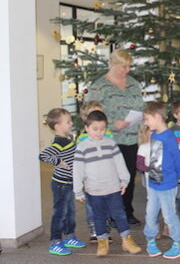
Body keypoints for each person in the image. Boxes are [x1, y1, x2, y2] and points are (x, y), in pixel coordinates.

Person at [85, 49, 144, 225]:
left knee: (129, 176)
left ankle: (127, 211)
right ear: (112, 64)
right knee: (111, 177)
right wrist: (112, 124)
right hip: (108, 139)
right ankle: (110, 213)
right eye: (122, 67)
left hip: (132, 138)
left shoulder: (133, 83)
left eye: (128, 67)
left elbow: (140, 105)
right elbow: (91, 113)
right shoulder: (99, 86)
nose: (126, 70)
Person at [73, 110, 141, 257]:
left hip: (113, 188)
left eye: (102, 129)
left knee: (120, 214)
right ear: (86, 128)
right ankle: (102, 241)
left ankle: (126, 240)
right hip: (94, 190)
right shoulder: (82, 147)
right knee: (99, 216)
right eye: (95, 129)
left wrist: (124, 180)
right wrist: (78, 190)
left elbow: (120, 164)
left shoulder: (111, 144)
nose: (99, 132)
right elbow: (77, 170)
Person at [141, 102, 180, 259]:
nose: (146, 123)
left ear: (157, 117)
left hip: (167, 184)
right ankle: (150, 240)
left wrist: (178, 176)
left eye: (147, 119)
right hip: (154, 182)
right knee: (150, 213)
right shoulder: (154, 135)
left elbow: (178, 159)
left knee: (169, 215)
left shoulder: (169, 136)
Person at [39, 108, 86, 256]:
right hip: (61, 184)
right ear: (57, 126)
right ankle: (55, 242)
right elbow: (43, 155)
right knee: (60, 213)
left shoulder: (67, 140)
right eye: (68, 122)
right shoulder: (60, 142)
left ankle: (69, 236)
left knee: (70, 212)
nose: (71, 123)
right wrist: (58, 161)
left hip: (69, 183)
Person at [77, 101, 114, 242]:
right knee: (91, 205)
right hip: (90, 178)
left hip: (107, 177)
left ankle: (105, 229)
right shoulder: (82, 139)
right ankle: (94, 230)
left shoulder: (109, 135)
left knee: (107, 205)